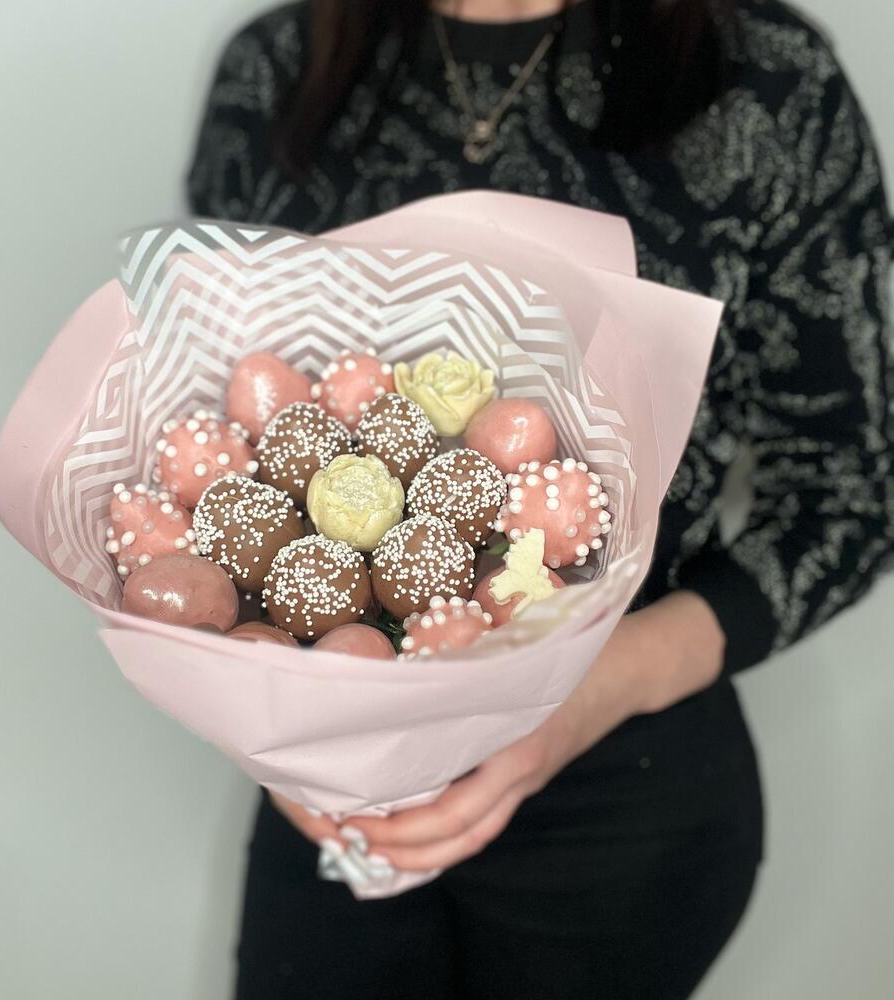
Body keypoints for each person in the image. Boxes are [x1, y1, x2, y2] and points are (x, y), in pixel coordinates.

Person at [187, 1, 893, 996]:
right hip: (333, 780)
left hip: (622, 781)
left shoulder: (765, 84)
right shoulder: (280, 69)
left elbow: (849, 486)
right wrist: (270, 723)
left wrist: (585, 694)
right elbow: (220, 442)